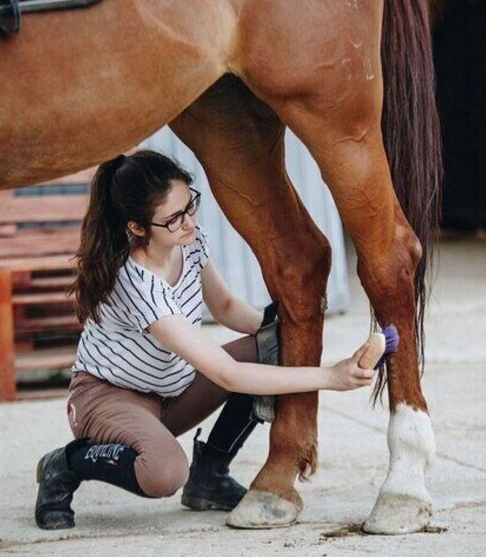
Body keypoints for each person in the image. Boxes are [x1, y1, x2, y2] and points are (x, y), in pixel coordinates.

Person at [34, 150, 376, 530]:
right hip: (109, 398)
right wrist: (331, 376)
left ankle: (210, 476)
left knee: (270, 346)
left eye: (190, 206)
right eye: (174, 218)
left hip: (171, 392)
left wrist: (284, 329)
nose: (189, 223)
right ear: (137, 228)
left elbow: (226, 306)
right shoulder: (137, 283)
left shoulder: (189, 242)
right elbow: (227, 374)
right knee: (164, 472)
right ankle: (66, 464)